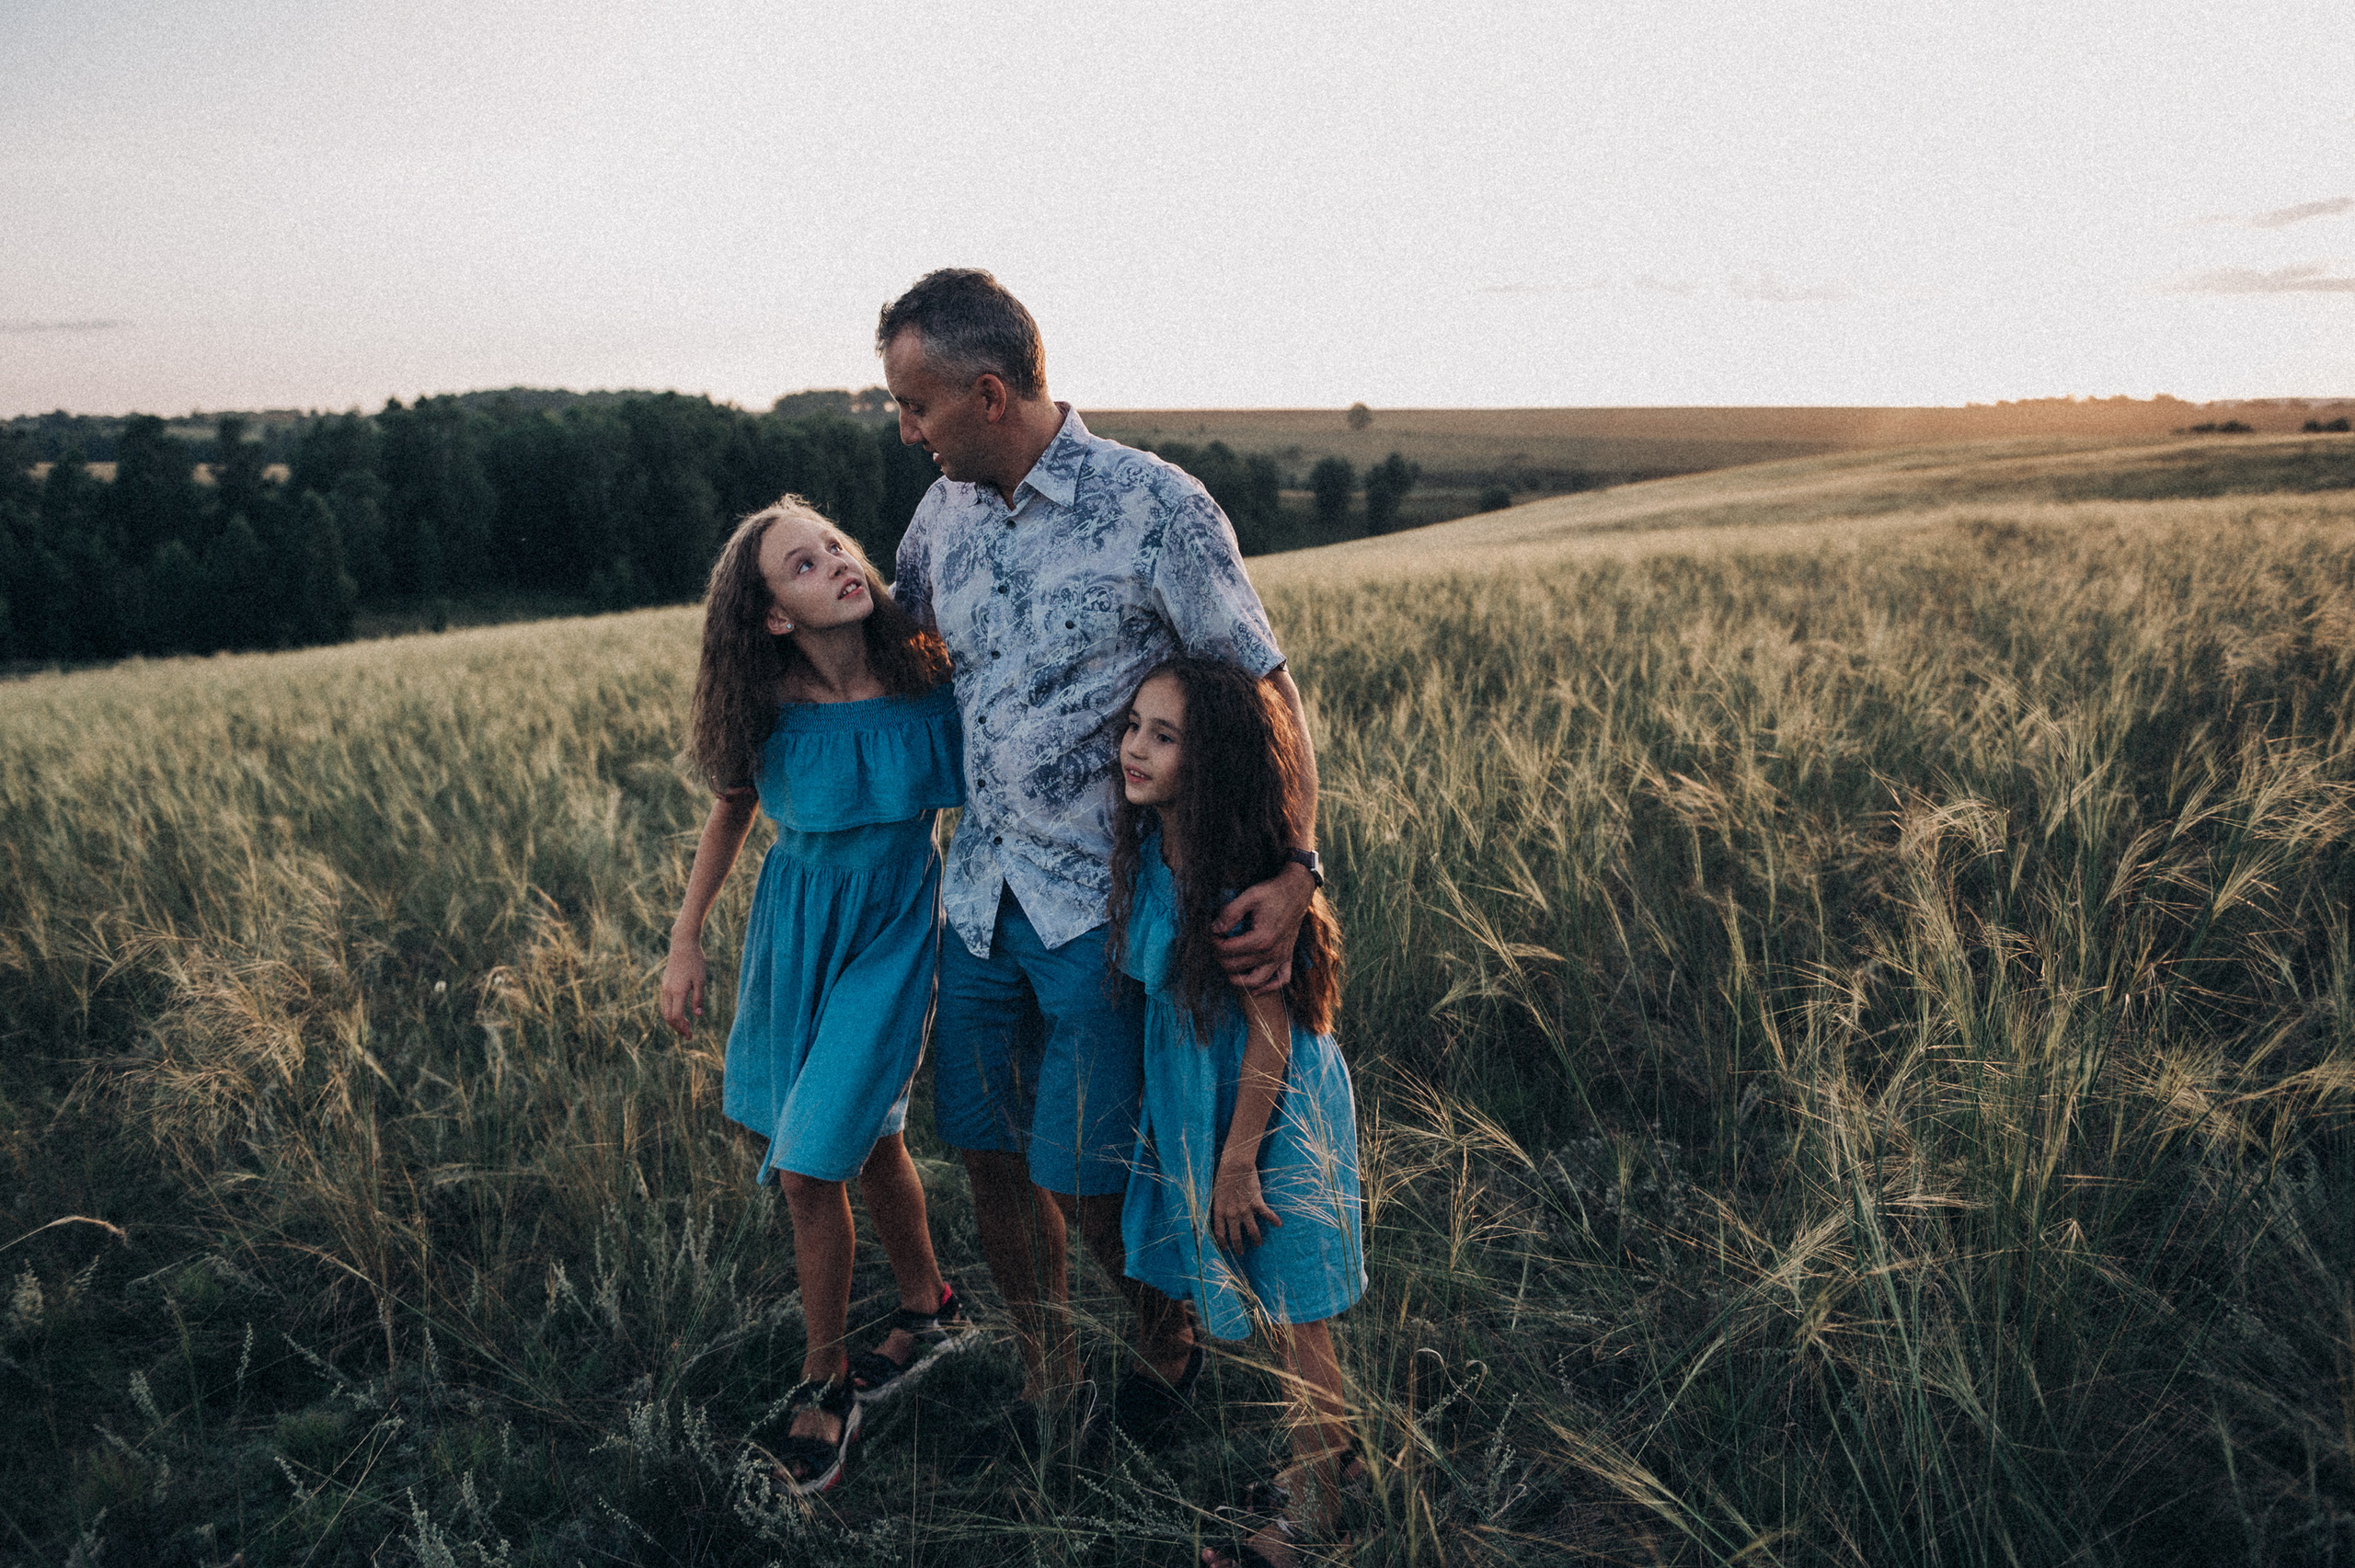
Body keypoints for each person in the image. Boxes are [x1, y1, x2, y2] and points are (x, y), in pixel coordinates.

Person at [880, 268, 1327, 1454]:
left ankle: (1162, 1331)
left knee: (1080, 1170)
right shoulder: (941, 519)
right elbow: (906, 645)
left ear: (986, 392)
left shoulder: (1156, 509)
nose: (905, 430)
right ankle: (1048, 1375)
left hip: (1105, 905)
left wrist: (1297, 867)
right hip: (975, 899)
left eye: (915, 406)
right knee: (984, 1154)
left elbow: (1263, 691)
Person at [660, 497, 971, 1494]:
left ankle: (824, 1377)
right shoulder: (773, 702)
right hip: (794, 933)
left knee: (809, 1167)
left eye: (835, 543)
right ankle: (927, 1306)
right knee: (864, 1135)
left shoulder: (928, 679)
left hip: (890, 932)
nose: (838, 561)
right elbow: (730, 814)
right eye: (803, 564)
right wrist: (686, 938)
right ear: (774, 617)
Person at [1109, 657, 1366, 1568]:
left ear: (1210, 759)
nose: (1135, 747)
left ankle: (1316, 1505)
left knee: (1301, 1309)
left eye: (1164, 735)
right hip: (1207, 1107)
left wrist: (1237, 1159)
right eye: (1134, 724)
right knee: (1274, 1291)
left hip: (1270, 1112)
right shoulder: (1153, 854)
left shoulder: (1229, 879)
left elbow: (1270, 1034)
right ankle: (1324, 1459)